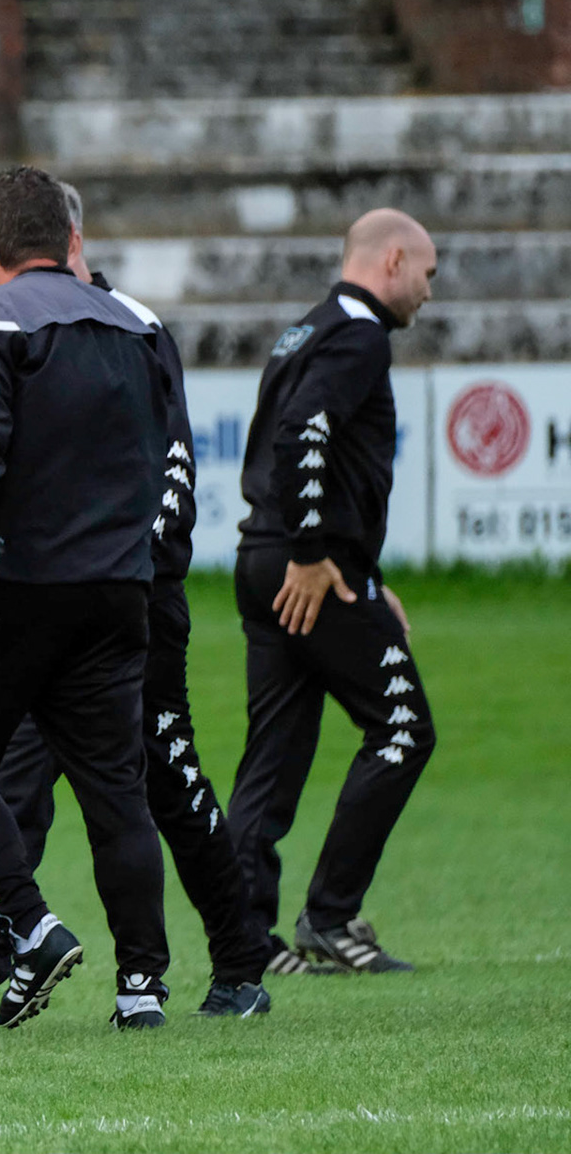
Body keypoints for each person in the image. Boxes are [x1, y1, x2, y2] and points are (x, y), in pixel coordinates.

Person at [0, 184, 273, 1019]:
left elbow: (171, 459)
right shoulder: (81, 324)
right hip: (90, 592)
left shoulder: (128, 324)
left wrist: (148, 565)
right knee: (28, 786)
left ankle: (233, 962)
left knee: (163, 778)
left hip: (119, 592)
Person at [0, 165, 173, 1032]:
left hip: (18, 590)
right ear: (71, 240)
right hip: (120, 590)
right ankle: (143, 988)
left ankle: (31, 923)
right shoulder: (139, 323)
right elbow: (164, 449)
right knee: (117, 792)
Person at [229, 208, 438, 975]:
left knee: (275, 753)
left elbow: (298, 440)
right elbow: (302, 434)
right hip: (303, 566)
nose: (427, 291)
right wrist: (318, 556)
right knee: (404, 729)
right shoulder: (358, 333)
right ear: (391, 260)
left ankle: (246, 940)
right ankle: (331, 918)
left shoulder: (308, 327)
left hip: (262, 559)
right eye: (427, 272)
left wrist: (367, 579)